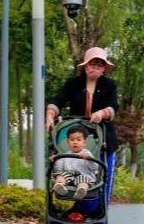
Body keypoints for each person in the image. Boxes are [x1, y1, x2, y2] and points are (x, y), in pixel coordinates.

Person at [46, 47, 119, 206]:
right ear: (85, 66)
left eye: (100, 65)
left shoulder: (109, 85)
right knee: (73, 170)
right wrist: (50, 115)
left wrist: (102, 113)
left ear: (104, 69)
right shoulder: (73, 83)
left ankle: (100, 213)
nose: (95, 68)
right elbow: (58, 100)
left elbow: (114, 107)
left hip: (104, 138)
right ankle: (78, 208)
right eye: (92, 64)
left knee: (101, 177)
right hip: (77, 136)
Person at [51, 126, 100, 200]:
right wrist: (56, 159)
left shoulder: (87, 154)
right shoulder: (65, 155)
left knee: (83, 179)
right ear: (68, 142)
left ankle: (81, 190)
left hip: (83, 175)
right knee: (60, 175)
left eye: (78, 140)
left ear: (84, 143)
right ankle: (60, 187)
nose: (75, 142)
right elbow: (59, 169)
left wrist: (89, 159)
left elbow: (95, 168)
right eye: (72, 140)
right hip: (68, 176)